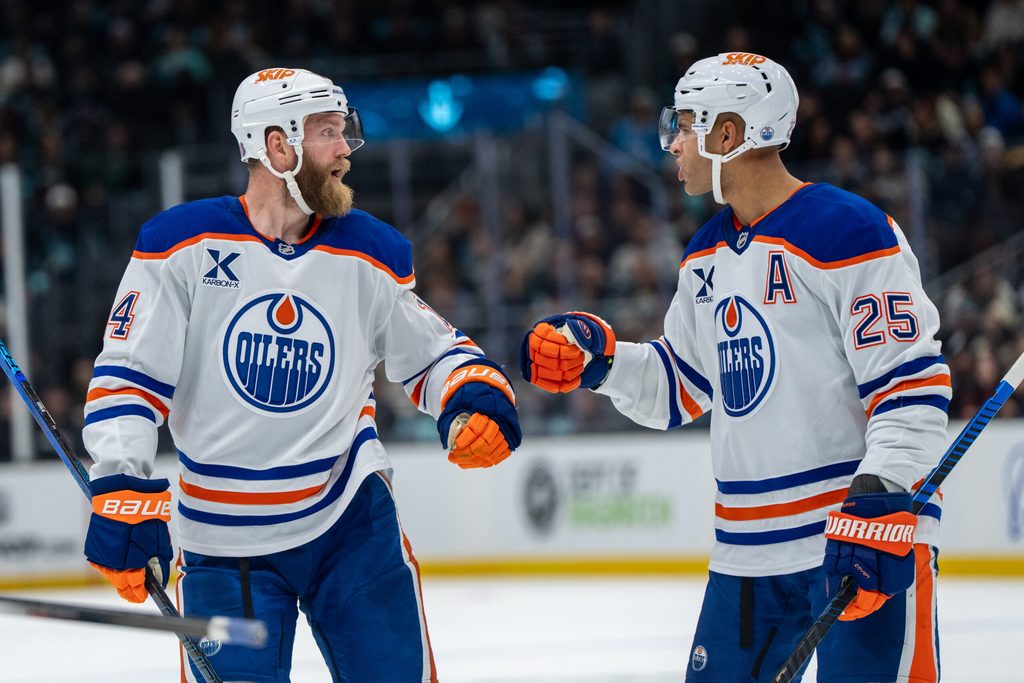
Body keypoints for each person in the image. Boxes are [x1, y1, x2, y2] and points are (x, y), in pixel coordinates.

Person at [82, 67, 522, 683]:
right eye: (327, 132)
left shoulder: (369, 251)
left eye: (344, 131)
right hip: (222, 548)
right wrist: (122, 487)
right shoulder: (179, 245)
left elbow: (432, 353)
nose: (346, 150)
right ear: (276, 145)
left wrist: (470, 394)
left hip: (349, 524)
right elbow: (129, 376)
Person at [520, 53, 947, 682]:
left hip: (856, 541)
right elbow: (680, 387)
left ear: (729, 133)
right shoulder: (705, 254)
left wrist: (882, 493)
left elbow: (910, 386)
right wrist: (602, 362)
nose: (673, 143)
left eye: (685, 124)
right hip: (748, 553)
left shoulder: (849, 232)